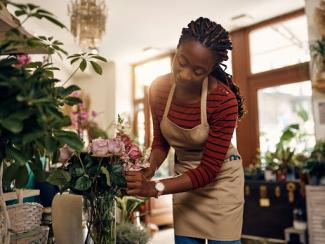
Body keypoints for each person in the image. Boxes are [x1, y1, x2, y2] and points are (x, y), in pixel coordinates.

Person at [125, 17, 245, 244]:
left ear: (211, 69)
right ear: (177, 50)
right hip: (184, 177)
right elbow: (161, 141)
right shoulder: (158, 89)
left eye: (198, 71)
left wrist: (154, 187)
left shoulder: (223, 101)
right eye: (181, 62)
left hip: (221, 178)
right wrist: (148, 170)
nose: (185, 75)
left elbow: (208, 171)